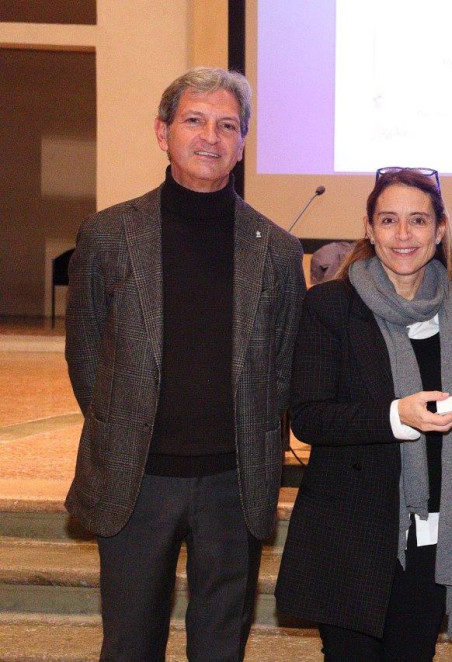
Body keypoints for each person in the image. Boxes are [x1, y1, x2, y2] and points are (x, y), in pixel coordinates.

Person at [64, 67, 306, 660]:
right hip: (137, 479)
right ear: (162, 132)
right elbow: (86, 353)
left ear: (243, 142)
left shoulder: (276, 250)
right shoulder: (108, 235)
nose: (210, 137)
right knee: (129, 644)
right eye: (194, 120)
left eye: (227, 125)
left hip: (234, 482)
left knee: (221, 646)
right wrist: (124, 427)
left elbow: (281, 366)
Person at [275, 168, 452, 661]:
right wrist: (396, 416)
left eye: (418, 220)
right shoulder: (330, 305)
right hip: (352, 530)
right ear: (369, 228)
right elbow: (309, 417)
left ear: (440, 229)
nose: (403, 234)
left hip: (433, 533)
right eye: (389, 220)